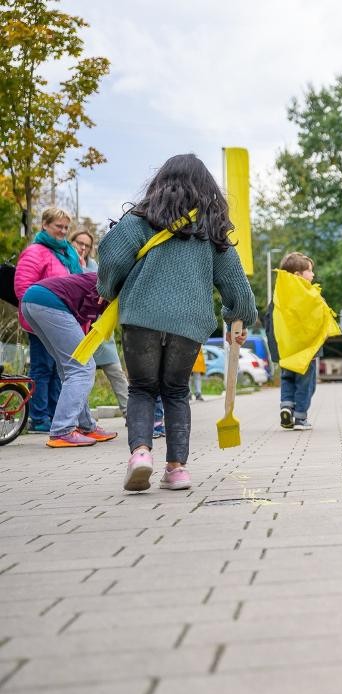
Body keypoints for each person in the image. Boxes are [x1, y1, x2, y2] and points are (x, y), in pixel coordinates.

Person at [98, 153, 257, 492]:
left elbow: (111, 256)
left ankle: (141, 454)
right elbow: (238, 288)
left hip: (142, 317)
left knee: (142, 388)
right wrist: (238, 320)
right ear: (206, 188)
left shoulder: (141, 221)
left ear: (161, 183)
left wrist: (108, 290)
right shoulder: (211, 232)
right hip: (189, 323)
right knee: (176, 391)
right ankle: (177, 469)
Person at [21, 272, 118, 447]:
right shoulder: (115, 283)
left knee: (69, 368)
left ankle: (86, 426)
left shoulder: (111, 281)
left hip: (32, 299)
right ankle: (62, 430)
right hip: (49, 301)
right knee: (82, 366)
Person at [15, 207, 83, 431]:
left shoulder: (66, 254)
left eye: (66, 227)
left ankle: (55, 414)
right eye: (58, 226)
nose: (63, 231)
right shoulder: (35, 252)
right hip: (42, 321)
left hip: (63, 321)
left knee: (58, 369)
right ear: (45, 225)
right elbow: (23, 287)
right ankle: (39, 417)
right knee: (42, 368)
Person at [266, 252, 327, 432]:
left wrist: (276, 351)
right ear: (298, 275)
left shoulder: (279, 297)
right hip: (306, 352)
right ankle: (300, 417)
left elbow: (270, 322)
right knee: (306, 384)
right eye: (310, 271)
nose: (313, 274)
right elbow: (318, 320)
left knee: (287, 379)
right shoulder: (308, 296)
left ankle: (286, 407)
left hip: (286, 351)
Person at [75, 229, 130, 416]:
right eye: (79, 243)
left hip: (100, 328)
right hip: (80, 330)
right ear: (72, 243)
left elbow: (104, 288)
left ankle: (130, 414)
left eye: (87, 245)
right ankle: (82, 417)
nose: (83, 248)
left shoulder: (96, 266)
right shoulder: (68, 263)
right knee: (82, 375)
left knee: (116, 372)